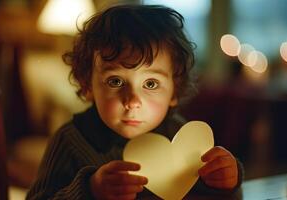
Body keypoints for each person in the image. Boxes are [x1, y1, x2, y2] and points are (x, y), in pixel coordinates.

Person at [26, 4, 243, 200]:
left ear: (174, 92)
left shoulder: (179, 136)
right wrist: (90, 190)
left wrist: (227, 183)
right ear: (87, 86)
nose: (132, 101)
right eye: (116, 81)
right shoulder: (71, 140)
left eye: (150, 84)